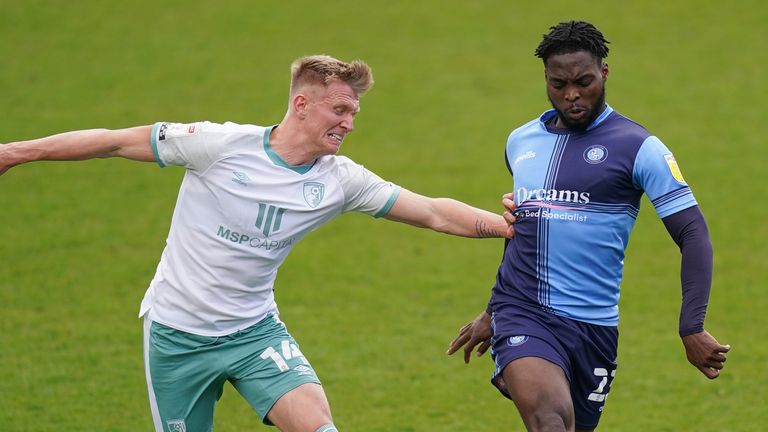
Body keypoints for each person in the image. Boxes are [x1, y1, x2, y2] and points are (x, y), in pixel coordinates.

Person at [0, 55, 515, 432]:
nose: (349, 123)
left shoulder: (340, 179)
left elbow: (432, 212)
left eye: (354, 113)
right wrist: (15, 152)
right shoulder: (218, 145)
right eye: (339, 110)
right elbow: (113, 141)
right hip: (176, 339)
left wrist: (511, 227)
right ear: (301, 104)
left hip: (254, 335)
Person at [446, 21, 730, 432]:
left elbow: (693, 234)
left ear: (605, 73)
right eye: (559, 84)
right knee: (549, 421)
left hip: (593, 327)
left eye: (583, 81)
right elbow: (526, 230)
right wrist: (496, 310)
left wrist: (692, 326)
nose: (571, 94)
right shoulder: (520, 142)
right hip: (523, 313)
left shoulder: (640, 148)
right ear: (546, 79)